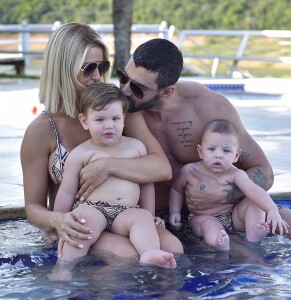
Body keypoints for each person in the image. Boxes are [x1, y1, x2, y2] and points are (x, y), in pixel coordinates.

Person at [80, 38, 291, 242]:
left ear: (166, 92)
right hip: (162, 218)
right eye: (123, 77)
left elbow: (264, 171)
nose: (125, 90)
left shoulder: (207, 107)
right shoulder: (115, 114)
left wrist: (224, 192)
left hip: (227, 210)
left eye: (137, 88)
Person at [21, 23, 183, 259]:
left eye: (102, 66)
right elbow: (32, 208)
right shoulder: (42, 130)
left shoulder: (117, 112)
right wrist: (58, 220)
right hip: (81, 222)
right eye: (88, 69)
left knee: (174, 248)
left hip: (126, 216)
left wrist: (106, 166)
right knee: (127, 255)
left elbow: (160, 167)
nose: (97, 76)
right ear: (64, 69)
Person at [53, 83, 176, 274]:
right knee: (81, 223)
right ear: (85, 121)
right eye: (100, 119)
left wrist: (150, 214)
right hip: (94, 209)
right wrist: (59, 222)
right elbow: (67, 191)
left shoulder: (136, 147)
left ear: (124, 119)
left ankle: (149, 252)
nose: (109, 125)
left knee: (142, 217)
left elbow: (146, 184)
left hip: (126, 212)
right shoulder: (81, 153)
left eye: (115, 118)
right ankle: (65, 268)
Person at [168, 120, 289, 250]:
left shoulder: (236, 174)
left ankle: (253, 231)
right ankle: (218, 242)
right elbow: (177, 190)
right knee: (209, 226)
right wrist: (174, 211)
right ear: (200, 151)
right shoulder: (190, 171)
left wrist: (272, 209)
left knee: (253, 201)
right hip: (202, 216)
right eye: (211, 149)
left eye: (226, 151)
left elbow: (253, 190)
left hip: (232, 217)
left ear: (236, 155)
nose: (218, 155)